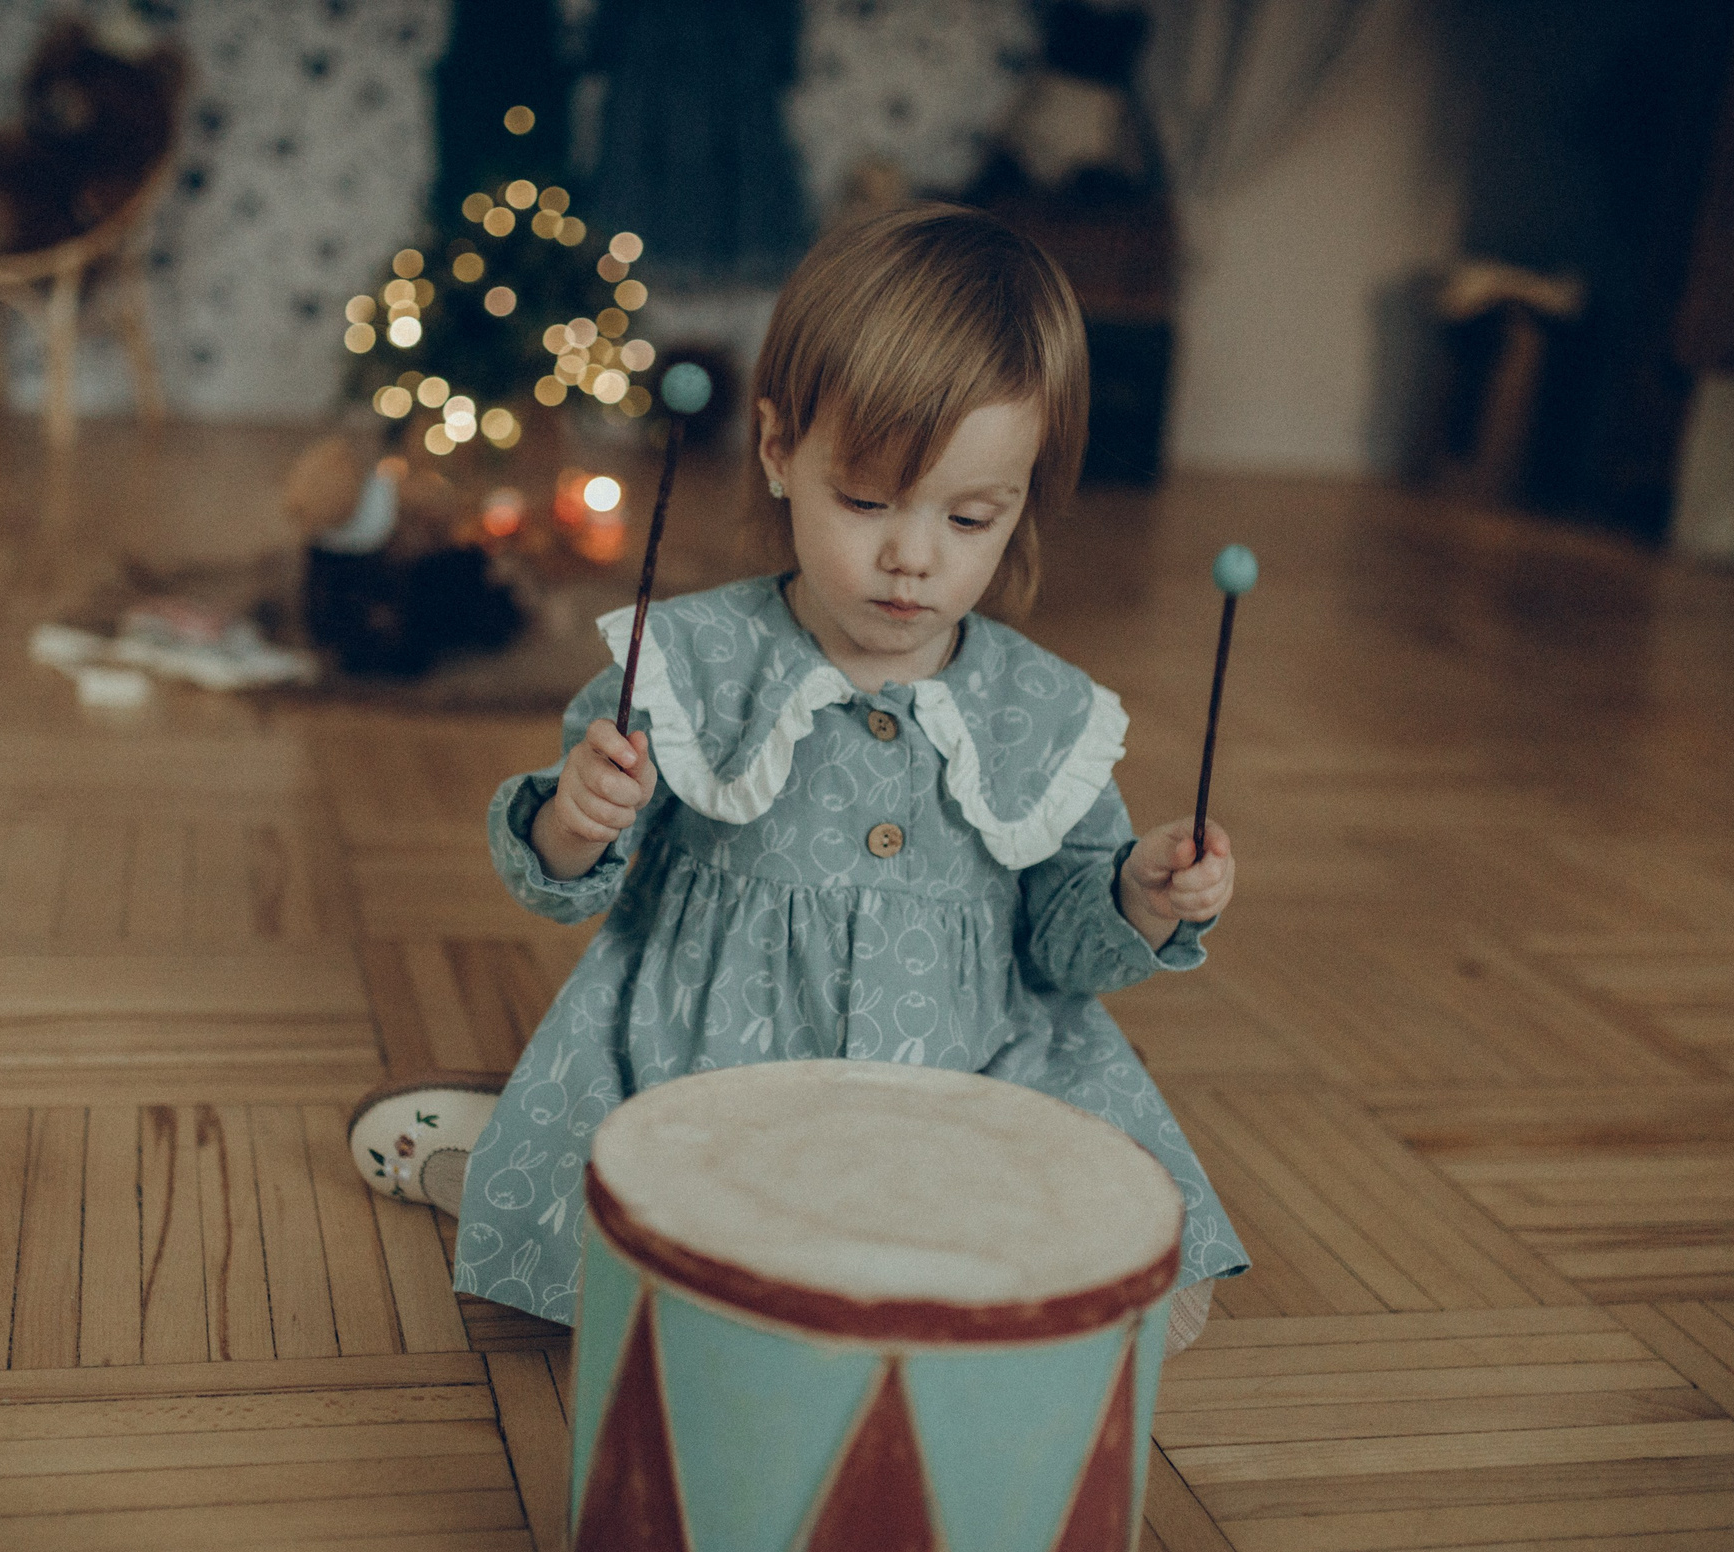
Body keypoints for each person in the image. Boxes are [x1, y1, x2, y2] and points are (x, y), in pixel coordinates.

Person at [348, 201, 1250, 1348]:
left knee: (1152, 1296)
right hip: (710, 1079)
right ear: (779, 451)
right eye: (865, 502)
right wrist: (576, 819)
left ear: (1024, 496)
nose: (910, 556)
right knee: (681, 1302)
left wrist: (1137, 894)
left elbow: (1061, 945)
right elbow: (563, 876)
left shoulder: (1042, 712)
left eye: (970, 516)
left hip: (965, 1084)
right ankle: (491, 1159)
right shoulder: (688, 663)